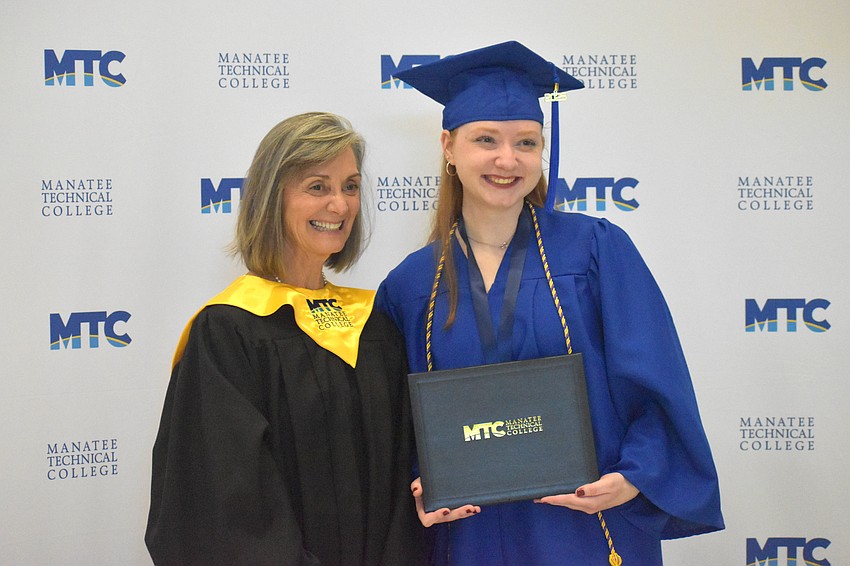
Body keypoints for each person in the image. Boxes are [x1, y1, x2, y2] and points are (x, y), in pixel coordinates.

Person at [376, 41, 724, 565]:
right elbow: (393, 420)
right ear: (449, 146)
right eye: (485, 139)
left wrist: (635, 477)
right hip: (470, 538)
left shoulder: (596, 250)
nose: (506, 159)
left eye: (526, 142)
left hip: (586, 526)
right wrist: (419, 486)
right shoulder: (410, 284)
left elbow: (657, 382)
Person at [145, 112, 424, 565]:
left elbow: (405, 471)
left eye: (350, 187)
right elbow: (227, 503)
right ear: (272, 198)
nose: (340, 205)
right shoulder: (229, 331)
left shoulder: (374, 324)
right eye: (318, 187)